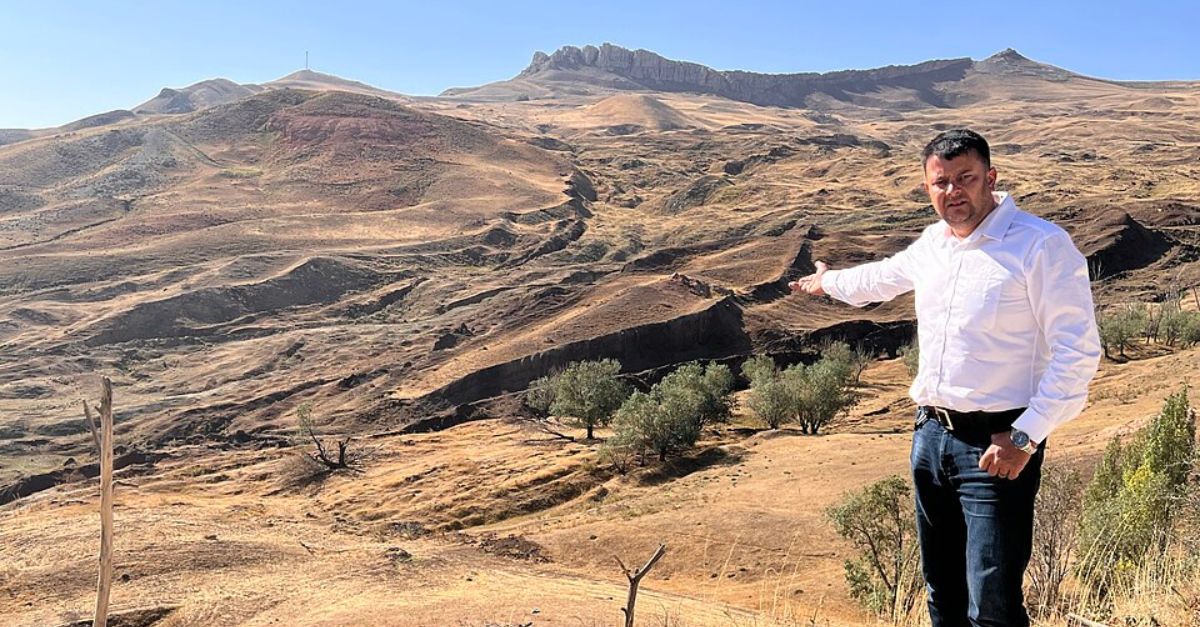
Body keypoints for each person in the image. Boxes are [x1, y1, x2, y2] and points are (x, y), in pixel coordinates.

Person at [790, 129, 1101, 627]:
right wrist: (827, 281)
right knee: (942, 594)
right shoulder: (934, 243)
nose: (953, 192)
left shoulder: (1040, 245)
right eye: (941, 182)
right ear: (927, 187)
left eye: (966, 179)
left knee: (992, 605)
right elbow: (880, 278)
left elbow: (1079, 352)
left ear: (991, 179)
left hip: (998, 445)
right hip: (930, 437)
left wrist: (1025, 436)